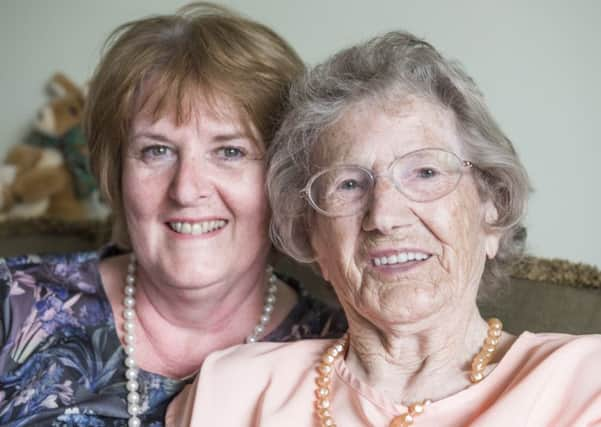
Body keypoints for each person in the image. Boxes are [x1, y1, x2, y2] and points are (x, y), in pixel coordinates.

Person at [167, 30, 601, 426]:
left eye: (426, 172)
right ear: (312, 237)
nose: (385, 216)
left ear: (491, 210)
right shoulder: (234, 392)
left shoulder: (582, 383)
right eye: (350, 184)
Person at [0, 3, 346, 426]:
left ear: (283, 178)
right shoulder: (12, 307)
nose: (186, 189)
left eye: (230, 151)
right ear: (118, 172)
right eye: (157, 150)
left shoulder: (341, 352)